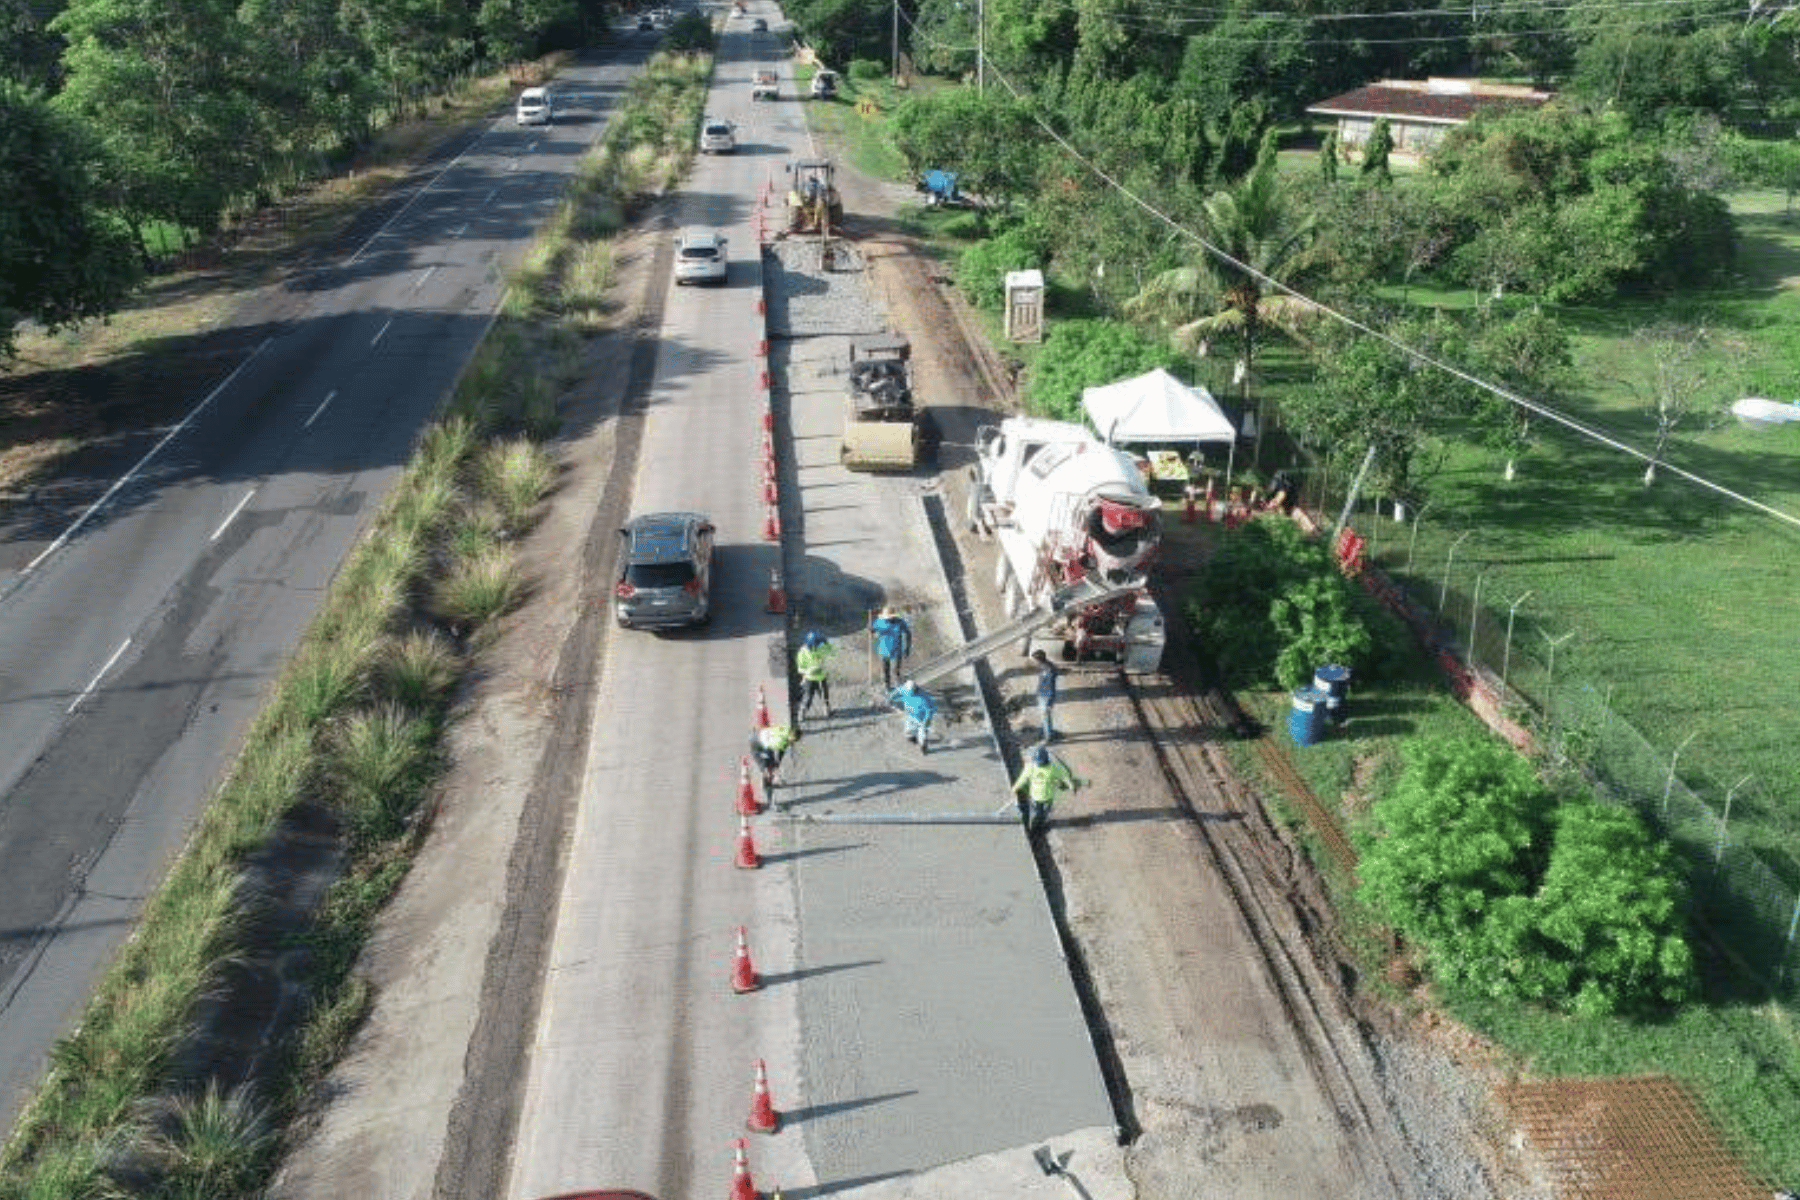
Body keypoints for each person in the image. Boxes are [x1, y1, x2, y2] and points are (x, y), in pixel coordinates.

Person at [1011, 744, 1082, 835]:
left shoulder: (1030, 768)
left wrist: (1015, 788)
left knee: (1038, 811)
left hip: (1036, 796)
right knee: (1044, 812)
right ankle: (1038, 825)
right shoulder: (1053, 767)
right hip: (1048, 796)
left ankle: (1034, 827)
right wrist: (1071, 785)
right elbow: (1064, 776)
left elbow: (1022, 779)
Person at [887, 679, 937, 754]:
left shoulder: (923, 697)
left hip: (923, 717)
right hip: (910, 715)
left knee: (922, 732)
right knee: (909, 736)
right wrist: (890, 698)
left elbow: (930, 709)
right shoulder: (904, 689)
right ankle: (917, 741)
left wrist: (927, 720)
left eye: (912, 691)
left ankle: (923, 746)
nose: (910, 692)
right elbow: (896, 692)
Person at [870, 606, 913, 689]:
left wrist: (907, 648)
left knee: (896, 672)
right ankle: (887, 688)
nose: (889, 619)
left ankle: (899, 688)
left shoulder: (900, 622)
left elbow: (908, 633)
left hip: (897, 651)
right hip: (883, 651)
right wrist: (871, 630)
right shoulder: (879, 622)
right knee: (886, 673)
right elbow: (872, 630)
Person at [795, 630, 835, 720]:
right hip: (810, 678)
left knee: (825, 695)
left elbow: (829, 652)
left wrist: (827, 664)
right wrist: (808, 671)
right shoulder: (803, 652)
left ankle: (827, 710)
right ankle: (802, 713)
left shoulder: (821, 646)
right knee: (808, 697)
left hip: (821, 677)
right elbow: (800, 668)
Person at [749, 723, 800, 790]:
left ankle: (769, 778)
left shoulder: (785, 729)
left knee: (771, 761)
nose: (792, 743)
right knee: (767, 764)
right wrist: (776, 764)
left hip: (758, 734)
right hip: (757, 745)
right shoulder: (781, 742)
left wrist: (777, 763)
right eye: (793, 741)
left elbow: (781, 750)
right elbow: (780, 751)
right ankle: (766, 781)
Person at [1030, 648, 1062, 742]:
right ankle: (1044, 732)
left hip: (1046, 697)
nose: (1034, 662)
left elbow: (1051, 687)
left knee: (1046, 717)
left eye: (1035, 660)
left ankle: (1048, 737)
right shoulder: (1043, 666)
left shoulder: (1050, 670)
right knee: (1043, 716)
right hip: (1042, 695)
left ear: (1039, 659)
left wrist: (1049, 701)